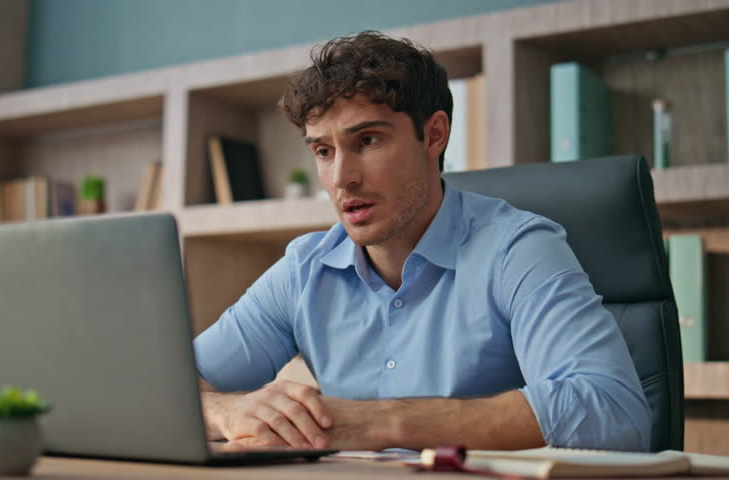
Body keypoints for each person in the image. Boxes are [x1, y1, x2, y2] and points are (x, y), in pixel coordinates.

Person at [193, 31, 651, 452]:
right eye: (323, 151)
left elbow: (615, 412)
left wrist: (375, 423)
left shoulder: (518, 248)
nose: (340, 179)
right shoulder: (303, 270)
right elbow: (165, 390)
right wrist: (225, 411)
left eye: (367, 140)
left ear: (434, 135)